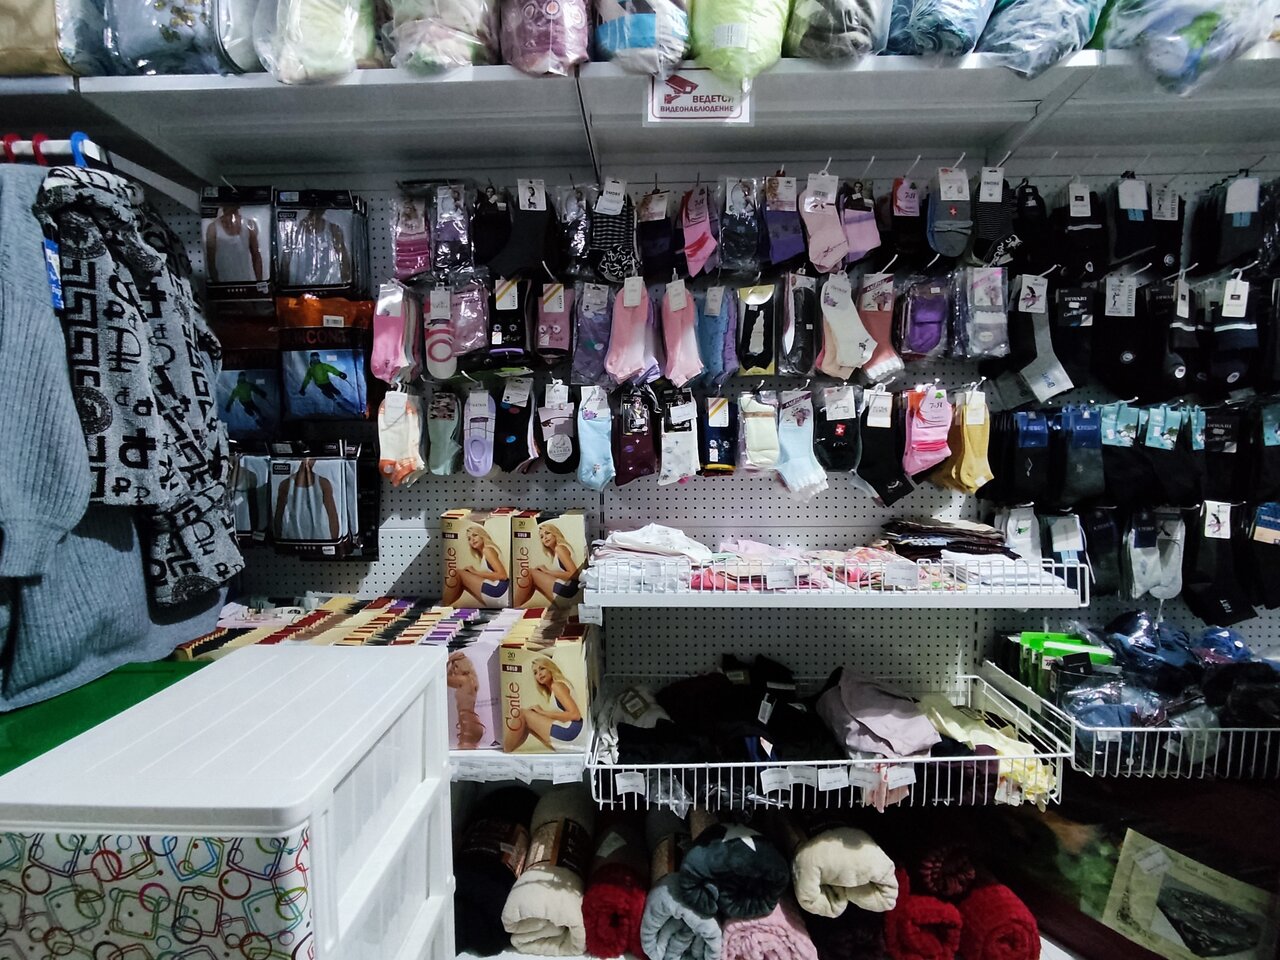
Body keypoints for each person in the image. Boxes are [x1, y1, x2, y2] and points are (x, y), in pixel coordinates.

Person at [503, 655, 583, 752]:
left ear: (550, 668)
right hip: (573, 733)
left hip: (571, 732)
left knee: (522, 714)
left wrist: (542, 713)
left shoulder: (557, 686)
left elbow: (575, 715)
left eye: (542, 668)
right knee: (526, 724)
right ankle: (508, 751)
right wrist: (539, 714)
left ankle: (504, 753)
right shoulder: (556, 688)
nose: (539, 674)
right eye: (535, 672)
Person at [273, 458, 341, 542]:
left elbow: (332, 516)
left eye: (311, 458)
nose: (307, 461)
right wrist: (278, 540)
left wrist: (335, 541)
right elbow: (278, 515)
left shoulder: (323, 483)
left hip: (318, 537)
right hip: (293, 536)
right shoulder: (285, 484)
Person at [514, 522, 581, 606]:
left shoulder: (560, 548)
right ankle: (516, 607)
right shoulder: (557, 551)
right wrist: (544, 573)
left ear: (555, 533)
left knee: (529, 572)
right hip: (567, 592)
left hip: (569, 591)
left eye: (547, 533)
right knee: (533, 581)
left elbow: (575, 575)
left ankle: (513, 607)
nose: (545, 538)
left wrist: (547, 572)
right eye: (542, 537)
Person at [442, 524, 509, 607]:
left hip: (500, 591)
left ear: (482, 535)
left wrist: (475, 572)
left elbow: (503, 576)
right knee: (462, 582)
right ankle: (446, 607)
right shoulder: (484, 553)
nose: (472, 540)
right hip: (500, 592)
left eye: (475, 535)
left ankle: (443, 607)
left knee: (458, 574)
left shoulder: (488, 550)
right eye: (469, 538)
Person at [206, 204, 264, 284]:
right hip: (223, 283)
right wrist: (216, 283)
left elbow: (256, 256)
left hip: (246, 281)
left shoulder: (249, 224)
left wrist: (259, 283)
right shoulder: (213, 228)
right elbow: (210, 261)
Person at [447, 651, 486, 748]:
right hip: (473, 721)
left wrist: (449, 661)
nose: (453, 669)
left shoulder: (462, 680)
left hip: (467, 723)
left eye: (456, 666)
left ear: (462, 666)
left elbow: (444, 679)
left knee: (464, 754)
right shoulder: (472, 680)